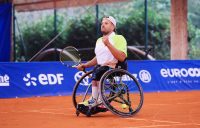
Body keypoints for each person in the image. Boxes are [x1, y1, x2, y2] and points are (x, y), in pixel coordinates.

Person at [76, 16, 127, 107]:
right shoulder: (99, 40)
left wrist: (108, 44)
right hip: (102, 68)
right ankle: (95, 99)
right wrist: (85, 65)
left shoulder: (119, 38)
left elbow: (122, 57)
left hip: (116, 66)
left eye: (106, 23)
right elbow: (98, 58)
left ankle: (99, 100)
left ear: (113, 26)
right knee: (97, 69)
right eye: (102, 23)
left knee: (98, 70)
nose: (103, 25)